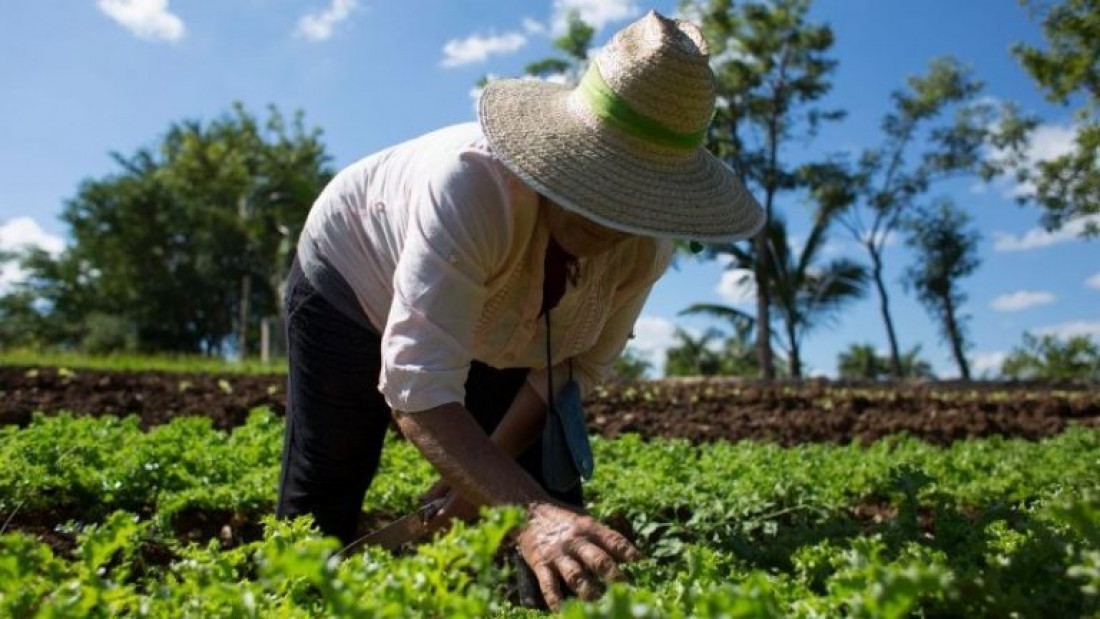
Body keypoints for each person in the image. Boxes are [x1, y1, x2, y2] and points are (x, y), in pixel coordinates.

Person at [276, 10, 764, 611]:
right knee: (331, 473)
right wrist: (528, 512)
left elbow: (568, 371)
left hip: (502, 323)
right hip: (351, 280)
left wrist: (485, 493)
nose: (608, 215)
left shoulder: (645, 249)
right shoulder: (474, 187)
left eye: (631, 198)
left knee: (553, 516)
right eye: (596, 179)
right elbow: (418, 386)